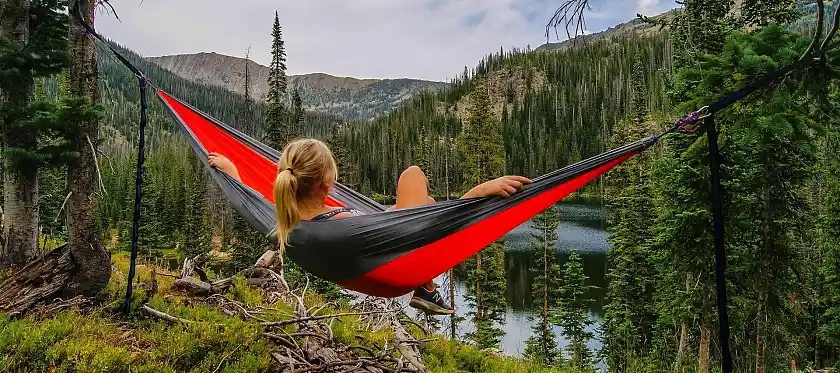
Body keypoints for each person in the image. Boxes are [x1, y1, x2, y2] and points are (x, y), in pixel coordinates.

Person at [208, 138, 532, 316]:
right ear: (326, 183)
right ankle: (427, 287)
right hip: (395, 270)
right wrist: (475, 195)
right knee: (413, 175)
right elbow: (425, 232)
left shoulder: (284, 220)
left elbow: (251, 202)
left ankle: (428, 289)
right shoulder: (340, 227)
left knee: (426, 199)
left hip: (374, 252)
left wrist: (234, 173)